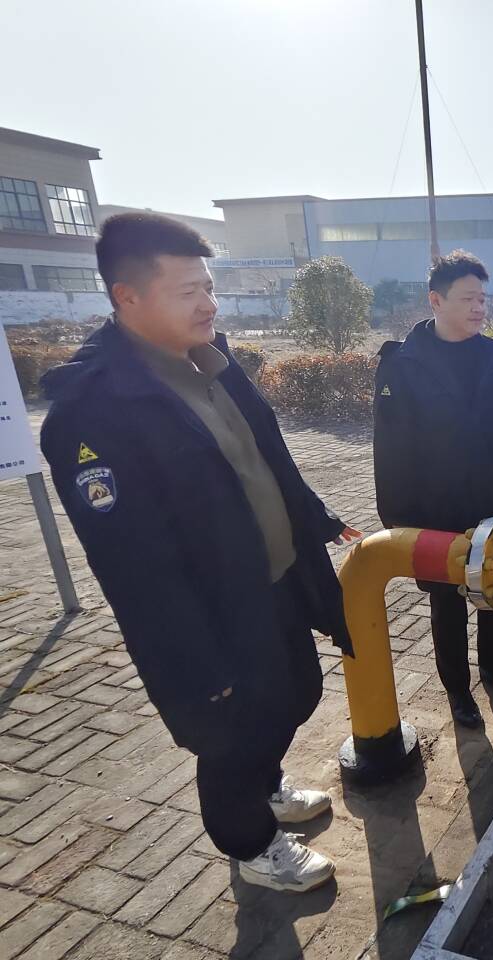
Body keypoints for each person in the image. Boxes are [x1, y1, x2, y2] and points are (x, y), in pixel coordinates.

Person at [40, 213, 361, 893]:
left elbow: (264, 458)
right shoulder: (93, 412)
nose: (209, 304)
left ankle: (265, 784)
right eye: (187, 291)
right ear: (128, 297)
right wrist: (195, 666)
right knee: (233, 733)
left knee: (296, 695)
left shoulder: (211, 361)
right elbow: (133, 566)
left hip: (273, 581)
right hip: (211, 615)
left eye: (208, 286)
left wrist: (316, 516)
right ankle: (251, 844)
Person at [374, 250, 493, 729]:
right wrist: (398, 518)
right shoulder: (402, 364)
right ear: (436, 301)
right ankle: (458, 691)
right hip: (435, 505)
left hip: (490, 499)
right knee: (446, 602)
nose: (479, 308)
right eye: (468, 299)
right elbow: (390, 446)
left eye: (482, 298)